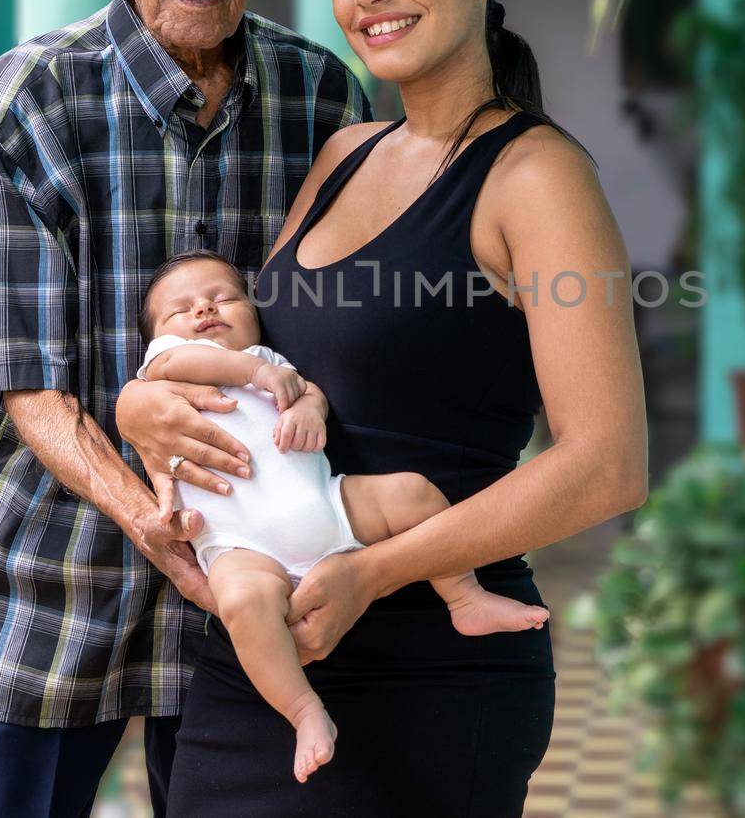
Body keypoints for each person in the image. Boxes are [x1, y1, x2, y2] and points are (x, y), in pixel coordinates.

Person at [118, 0, 649, 816]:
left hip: (429, 670)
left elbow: (608, 463)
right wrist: (145, 398)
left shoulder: (536, 178)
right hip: (266, 661)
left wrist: (374, 570)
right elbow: (264, 351)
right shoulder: (344, 154)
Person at [0, 0, 370, 817]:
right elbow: (15, 372)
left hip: (255, 568)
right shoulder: (22, 102)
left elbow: (340, 330)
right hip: (57, 570)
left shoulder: (326, 103)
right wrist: (147, 514)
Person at [132, 249, 550, 782]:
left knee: (413, 494)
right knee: (241, 604)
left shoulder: (274, 361)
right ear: (158, 336)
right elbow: (180, 360)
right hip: (243, 545)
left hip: (329, 504)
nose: (204, 311)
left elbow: (312, 394)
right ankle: (304, 712)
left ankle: (465, 597)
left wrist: (307, 408)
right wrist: (254, 370)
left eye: (223, 298)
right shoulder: (170, 368)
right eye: (181, 309)